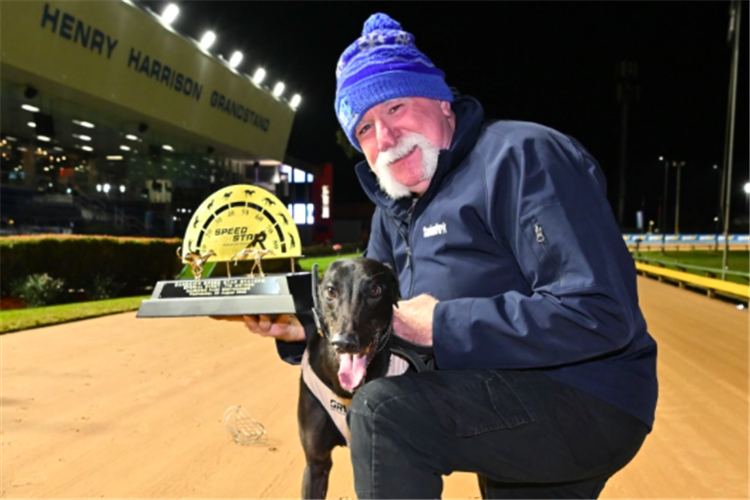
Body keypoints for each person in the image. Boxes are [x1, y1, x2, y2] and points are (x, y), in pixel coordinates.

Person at [238, 13, 658, 499]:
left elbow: (601, 312)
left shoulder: (523, 157)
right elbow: (378, 329)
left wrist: (444, 324)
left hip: (588, 397)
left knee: (381, 411)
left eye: (396, 108)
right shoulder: (392, 211)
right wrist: (310, 330)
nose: (386, 140)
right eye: (366, 129)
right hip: (495, 397)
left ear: (441, 100)